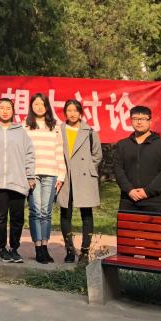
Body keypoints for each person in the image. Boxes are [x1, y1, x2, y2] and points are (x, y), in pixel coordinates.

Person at [0, 97, 35, 263]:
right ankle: (2, 248)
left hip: (18, 181)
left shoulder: (20, 131)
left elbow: (29, 154)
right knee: (0, 218)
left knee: (17, 218)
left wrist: (30, 175)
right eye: (2, 108)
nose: (5, 111)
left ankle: (14, 248)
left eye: (8, 108)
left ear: (13, 111)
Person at [57, 99, 102, 264]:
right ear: (65, 112)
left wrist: (88, 169)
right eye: (69, 110)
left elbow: (97, 155)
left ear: (80, 112)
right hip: (65, 176)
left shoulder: (89, 131)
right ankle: (69, 250)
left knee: (86, 214)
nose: (72, 113)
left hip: (84, 177)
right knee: (65, 213)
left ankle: (85, 251)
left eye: (75, 110)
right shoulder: (59, 130)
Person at [26, 93, 66, 264]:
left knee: (46, 212)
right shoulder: (25, 126)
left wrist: (61, 175)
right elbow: (24, 153)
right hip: (33, 174)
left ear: (47, 106)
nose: (39, 107)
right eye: (36, 104)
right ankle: (38, 248)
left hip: (51, 173)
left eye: (42, 104)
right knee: (35, 211)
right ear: (31, 106)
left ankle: (44, 245)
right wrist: (27, 174)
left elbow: (59, 150)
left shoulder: (55, 126)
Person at [115, 105, 161, 213]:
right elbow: (118, 170)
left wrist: (147, 192)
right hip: (128, 200)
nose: (139, 122)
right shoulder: (122, 145)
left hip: (154, 201)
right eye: (135, 119)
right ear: (131, 121)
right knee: (127, 225)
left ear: (150, 121)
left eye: (143, 119)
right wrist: (129, 190)